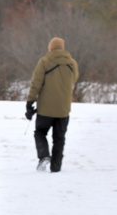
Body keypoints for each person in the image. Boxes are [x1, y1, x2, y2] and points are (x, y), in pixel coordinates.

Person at [25, 37, 79, 173]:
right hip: (63, 109)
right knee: (59, 138)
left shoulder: (44, 62)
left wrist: (30, 102)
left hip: (45, 109)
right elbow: (74, 79)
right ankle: (56, 167)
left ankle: (43, 156)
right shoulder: (72, 63)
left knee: (40, 132)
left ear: (51, 48)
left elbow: (36, 83)